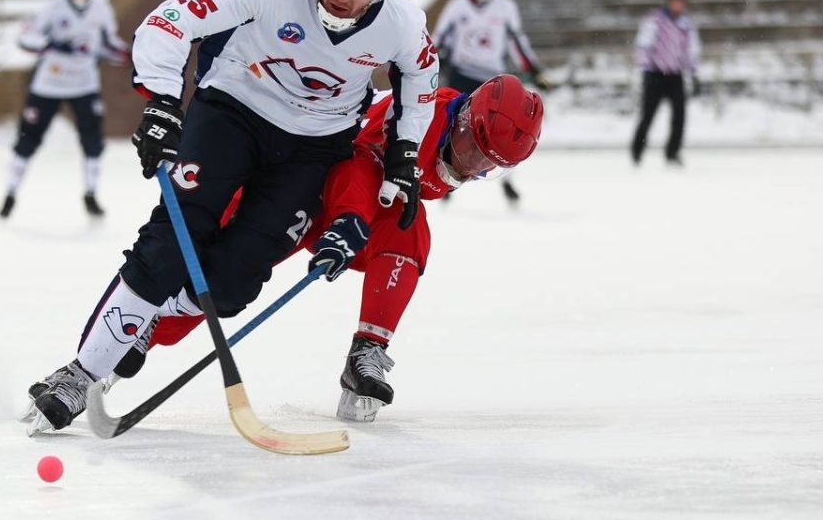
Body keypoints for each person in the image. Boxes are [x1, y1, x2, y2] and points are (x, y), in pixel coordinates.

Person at [22, 0, 440, 435]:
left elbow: (420, 81)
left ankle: (150, 314)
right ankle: (80, 375)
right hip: (232, 114)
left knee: (232, 286)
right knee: (171, 243)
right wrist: (161, 104)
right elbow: (171, 20)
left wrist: (405, 153)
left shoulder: (402, 23)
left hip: (314, 148)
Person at [110, 75, 545, 423]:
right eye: (473, 150)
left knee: (410, 226)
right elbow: (358, 163)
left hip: (339, 209)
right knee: (215, 273)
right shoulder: (421, 118)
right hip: (293, 189)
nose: (470, 167)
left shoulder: (452, 147)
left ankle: (367, 352)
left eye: (487, 166)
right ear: (465, 117)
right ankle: (131, 335)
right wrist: (349, 219)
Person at [0, 0, 129, 219]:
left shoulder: (100, 9)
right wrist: (52, 44)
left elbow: (108, 44)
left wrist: (130, 55)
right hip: (49, 84)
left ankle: (91, 193)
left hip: (83, 83)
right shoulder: (54, 7)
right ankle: (11, 193)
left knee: (93, 139)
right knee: (28, 138)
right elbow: (27, 38)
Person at [434, 0, 552, 206]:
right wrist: (431, 62)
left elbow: (517, 42)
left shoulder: (505, 6)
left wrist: (534, 70)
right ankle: (443, 177)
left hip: (493, 83)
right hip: (461, 74)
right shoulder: (457, 5)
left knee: (502, 132)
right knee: (449, 126)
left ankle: (507, 181)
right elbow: (440, 38)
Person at [630, 0, 701, 166]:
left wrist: (693, 73)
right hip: (655, 75)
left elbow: (691, 50)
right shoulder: (654, 21)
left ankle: (673, 152)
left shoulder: (686, 25)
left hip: (675, 75)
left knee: (679, 116)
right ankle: (637, 151)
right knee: (648, 115)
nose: (678, 5)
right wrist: (646, 67)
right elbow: (643, 46)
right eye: (675, 1)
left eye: (681, 1)